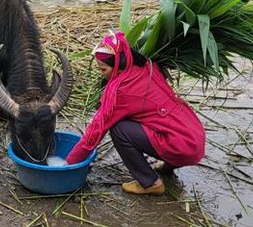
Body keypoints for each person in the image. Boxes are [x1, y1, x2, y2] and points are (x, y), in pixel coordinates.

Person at [65, 31, 206, 195]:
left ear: (117, 66)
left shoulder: (120, 93)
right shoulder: (148, 66)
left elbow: (96, 130)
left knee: (119, 129)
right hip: (194, 136)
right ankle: (169, 165)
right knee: (156, 119)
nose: (101, 74)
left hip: (181, 148)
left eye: (103, 69)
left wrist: (68, 164)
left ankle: (151, 183)